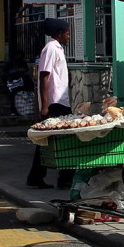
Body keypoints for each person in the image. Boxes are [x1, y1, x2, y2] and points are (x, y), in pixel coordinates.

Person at [27, 17, 74, 189]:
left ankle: (41, 176)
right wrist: (45, 105)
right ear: (59, 34)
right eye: (67, 33)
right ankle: (62, 177)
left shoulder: (58, 49)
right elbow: (44, 76)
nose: (69, 36)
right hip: (54, 102)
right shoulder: (51, 49)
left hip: (61, 100)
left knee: (53, 139)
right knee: (54, 139)